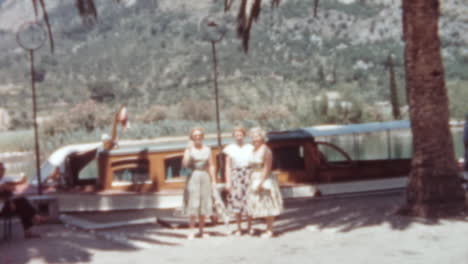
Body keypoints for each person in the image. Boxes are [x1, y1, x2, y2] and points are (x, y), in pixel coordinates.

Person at [247, 127, 283, 238]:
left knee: (268, 203)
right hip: (254, 177)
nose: (255, 139)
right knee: (258, 203)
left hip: (264, 178)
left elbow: (267, 168)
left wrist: (261, 182)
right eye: (253, 137)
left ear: (262, 137)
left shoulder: (266, 150)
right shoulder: (253, 149)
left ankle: (269, 230)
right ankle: (263, 228)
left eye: (257, 136)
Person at [182, 127, 216, 239]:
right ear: (192, 137)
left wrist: (214, 180)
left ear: (202, 136)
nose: (198, 137)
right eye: (195, 135)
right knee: (193, 203)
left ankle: (202, 230)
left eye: (199, 135)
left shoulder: (207, 149)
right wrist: (188, 150)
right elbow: (185, 164)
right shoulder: (189, 149)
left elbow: (211, 165)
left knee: (204, 203)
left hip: (205, 176)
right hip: (194, 176)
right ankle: (191, 230)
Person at [0, 162, 45, 238]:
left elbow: (10, 190)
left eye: (3, 169)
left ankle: (32, 224)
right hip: (2, 208)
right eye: (1, 169)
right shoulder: (2, 183)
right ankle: (35, 218)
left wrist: (10, 198)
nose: (3, 171)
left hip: (5, 205)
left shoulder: (4, 180)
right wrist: (10, 200)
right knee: (21, 203)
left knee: (22, 204)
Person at [223, 125, 254, 236]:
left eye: (240, 135)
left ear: (244, 135)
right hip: (236, 175)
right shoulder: (230, 148)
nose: (238, 137)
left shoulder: (250, 147)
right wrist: (228, 181)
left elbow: (254, 164)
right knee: (237, 202)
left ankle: (250, 226)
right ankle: (239, 227)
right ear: (233, 136)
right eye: (236, 135)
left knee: (249, 201)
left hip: (248, 175)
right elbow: (228, 166)